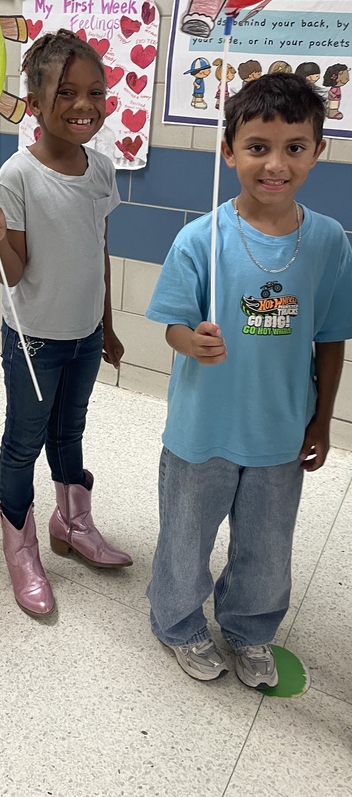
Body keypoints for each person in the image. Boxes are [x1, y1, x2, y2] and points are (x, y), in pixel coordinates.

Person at [145, 73, 352, 688]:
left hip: (280, 429)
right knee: (186, 535)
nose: (276, 163)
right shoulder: (199, 238)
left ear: (319, 151)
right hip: (202, 427)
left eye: (295, 146)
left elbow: (331, 336)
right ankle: (178, 622)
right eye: (258, 146)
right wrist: (192, 341)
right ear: (229, 151)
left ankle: (249, 628)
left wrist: (321, 419)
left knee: (267, 545)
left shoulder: (328, 242)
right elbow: (174, 327)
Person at [0, 29, 132, 618]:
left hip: (86, 334)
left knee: (71, 434)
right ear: (35, 102)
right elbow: (11, 273)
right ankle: (21, 550)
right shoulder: (17, 175)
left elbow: (99, 248)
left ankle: (73, 522)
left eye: (95, 90)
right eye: (66, 92)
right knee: (23, 443)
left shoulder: (103, 169)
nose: (83, 104)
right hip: (36, 337)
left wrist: (107, 325)